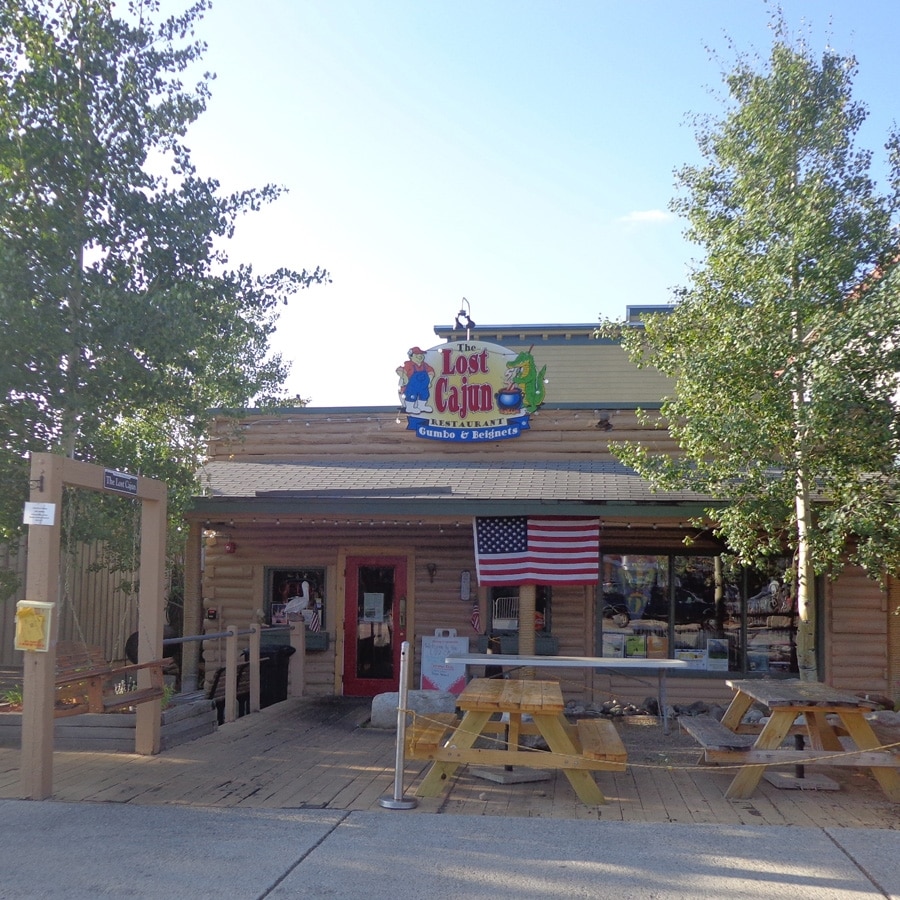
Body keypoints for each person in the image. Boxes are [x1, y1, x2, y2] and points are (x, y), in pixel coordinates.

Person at [396, 346, 435, 413]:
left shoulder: (425, 365)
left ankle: (422, 406)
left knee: (425, 394)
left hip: (423, 387)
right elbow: (399, 370)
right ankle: (410, 407)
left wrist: (430, 381)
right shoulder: (408, 364)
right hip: (412, 387)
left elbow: (431, 372)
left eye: (421, 354)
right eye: (417, 354)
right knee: (411, 395)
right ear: (411, 356)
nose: (420, 356)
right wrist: (405, 378)